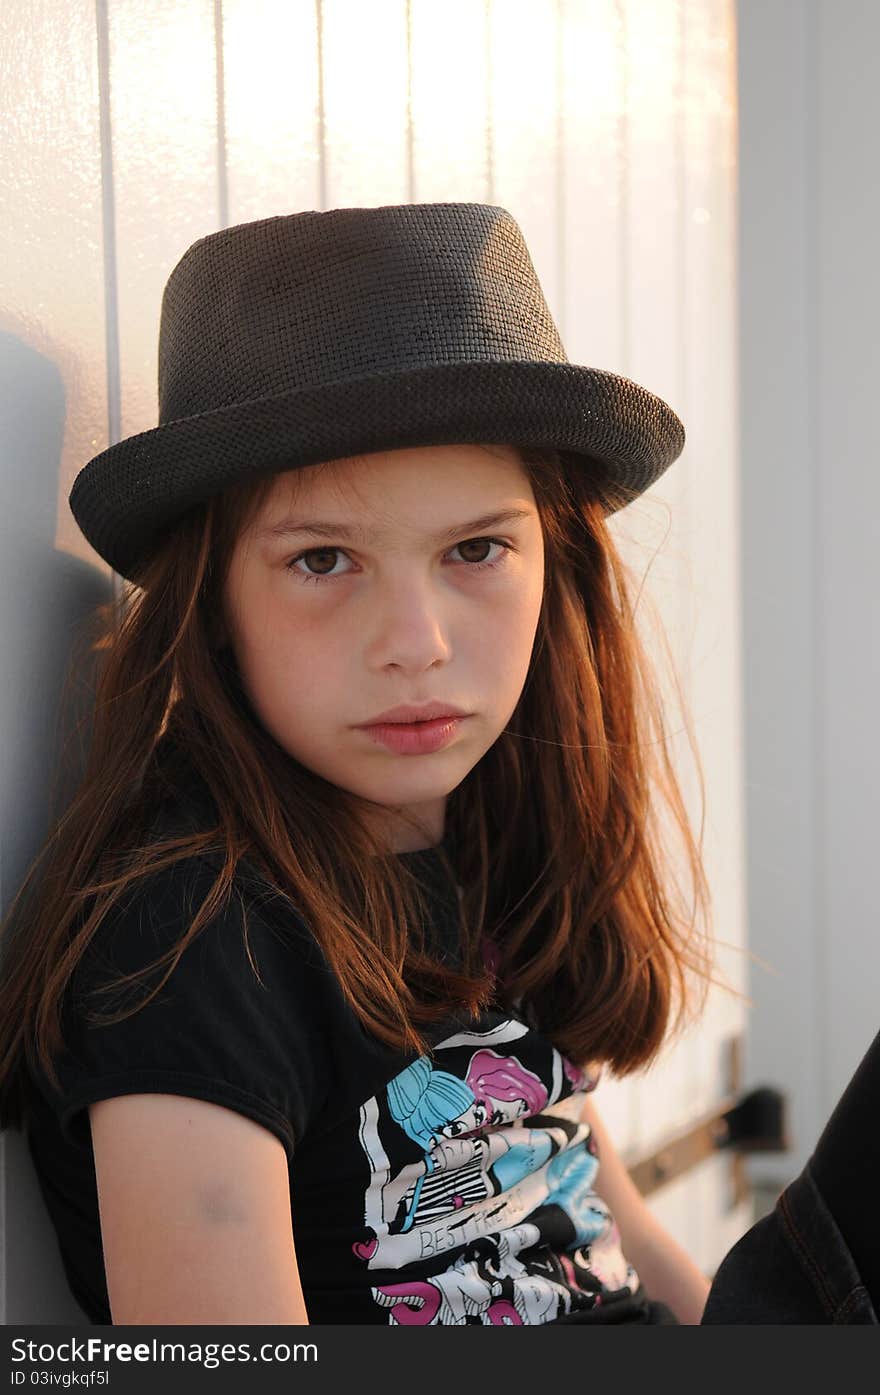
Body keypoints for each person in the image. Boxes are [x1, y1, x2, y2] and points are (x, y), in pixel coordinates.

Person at [0, 203, 873, 1328]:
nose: (416, 641)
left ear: (552, 567)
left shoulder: (473, 835)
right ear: (212, 599)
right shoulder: (184, 940)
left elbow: (601, 1217)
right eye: (324, 559)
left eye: (475, 550)